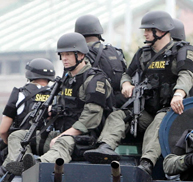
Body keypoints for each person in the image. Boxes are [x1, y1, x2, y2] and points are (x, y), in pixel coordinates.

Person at [85, 11, 193, 175]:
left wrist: (179, 94)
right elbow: (127, 74)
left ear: (160, 31)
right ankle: (105, 148)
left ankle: (146, 163)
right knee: (118, 115)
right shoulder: (143, 54)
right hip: (148, 110)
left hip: (174, 112)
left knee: (160, 122)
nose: (144, 33)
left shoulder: (182, 51)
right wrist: (126, 84)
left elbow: (187, 74)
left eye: (148, 29)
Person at [6, 32, 114, 173]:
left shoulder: (94, 80)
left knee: (61, 142)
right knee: (18, 136)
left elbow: (90, 119)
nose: (64, 59)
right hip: (62, 135)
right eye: (62, 55)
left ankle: (36, 166)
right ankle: (19, 167)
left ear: (81, 55)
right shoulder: (66, 80)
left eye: (68, 54)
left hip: (85, 140)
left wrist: (62, 136)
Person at [0, 58, 55, 178]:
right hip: (49, 145)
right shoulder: (57, 94)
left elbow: (3, 130)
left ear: (29, 74)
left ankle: (1, 173)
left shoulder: (19, 94)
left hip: (22, 143)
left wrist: (8, 143)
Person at [75, 14, 127, 108]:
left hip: (94, 104)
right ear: (99, 33)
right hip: (119, 104)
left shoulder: (79, 54)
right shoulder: (115, 52)